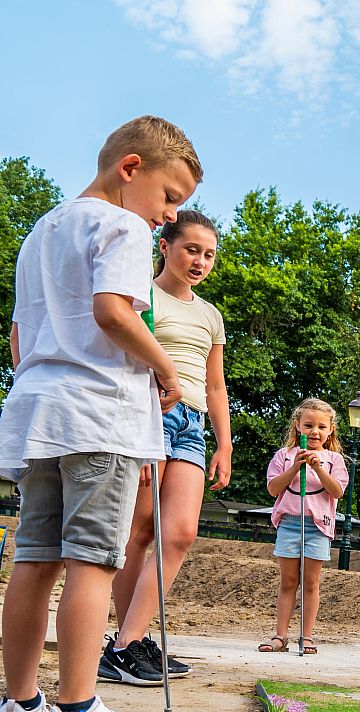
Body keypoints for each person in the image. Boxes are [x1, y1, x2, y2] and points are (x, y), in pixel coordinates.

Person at [0, 116, 200, 712]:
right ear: (131, 169)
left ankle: (18, 703)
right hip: (98, 415)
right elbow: (113, 312)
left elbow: (18, 339)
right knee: (92, 557)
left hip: (40, 412)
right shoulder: (123, 226)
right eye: (169, 198)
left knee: (34, 557)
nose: (169, 218)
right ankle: (77, 710)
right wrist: (166, 367)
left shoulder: (43, 228)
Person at [102, 210, 230, 687]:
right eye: (191, 249)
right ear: (165, 246)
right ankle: (126, 641)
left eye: (209, 254)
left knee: (179, 533)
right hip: (148, 414)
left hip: (192, 424)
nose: (200, 261)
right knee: (137, 530)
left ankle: (126, 643)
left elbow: (216, 386)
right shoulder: (142, 295)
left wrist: (226, 445)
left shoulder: (210, 315)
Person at [260, 399, 346, 654]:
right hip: (289, 523)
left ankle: (306, 636)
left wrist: (318, 468)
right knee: (288, 581)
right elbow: (273, 488)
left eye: (321, 426)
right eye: (308, 425)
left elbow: (337, 491)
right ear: (298, 426)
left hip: (318, 527)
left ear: (331, 429)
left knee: (310, 583)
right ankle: (281, 635)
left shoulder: (334, 460)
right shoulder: (284, 456)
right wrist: (295, 467)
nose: (314, 432)